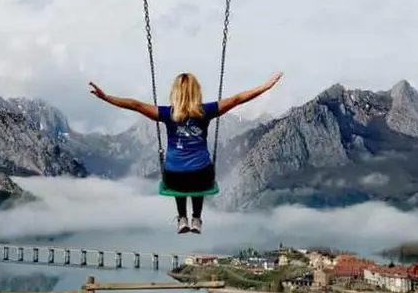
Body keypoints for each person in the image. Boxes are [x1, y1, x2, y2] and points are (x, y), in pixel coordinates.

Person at [88, 71, 283, 234]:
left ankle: (182, 218)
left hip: (174, 178)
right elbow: (238, 99)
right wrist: (265, 87)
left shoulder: (167, 114)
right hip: (202, 177)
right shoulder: (205, 111)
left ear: (175, 93)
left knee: (177, 173)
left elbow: (136, 105)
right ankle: (196, 218)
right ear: (196, 92)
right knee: (199, 175)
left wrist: (107, 98)